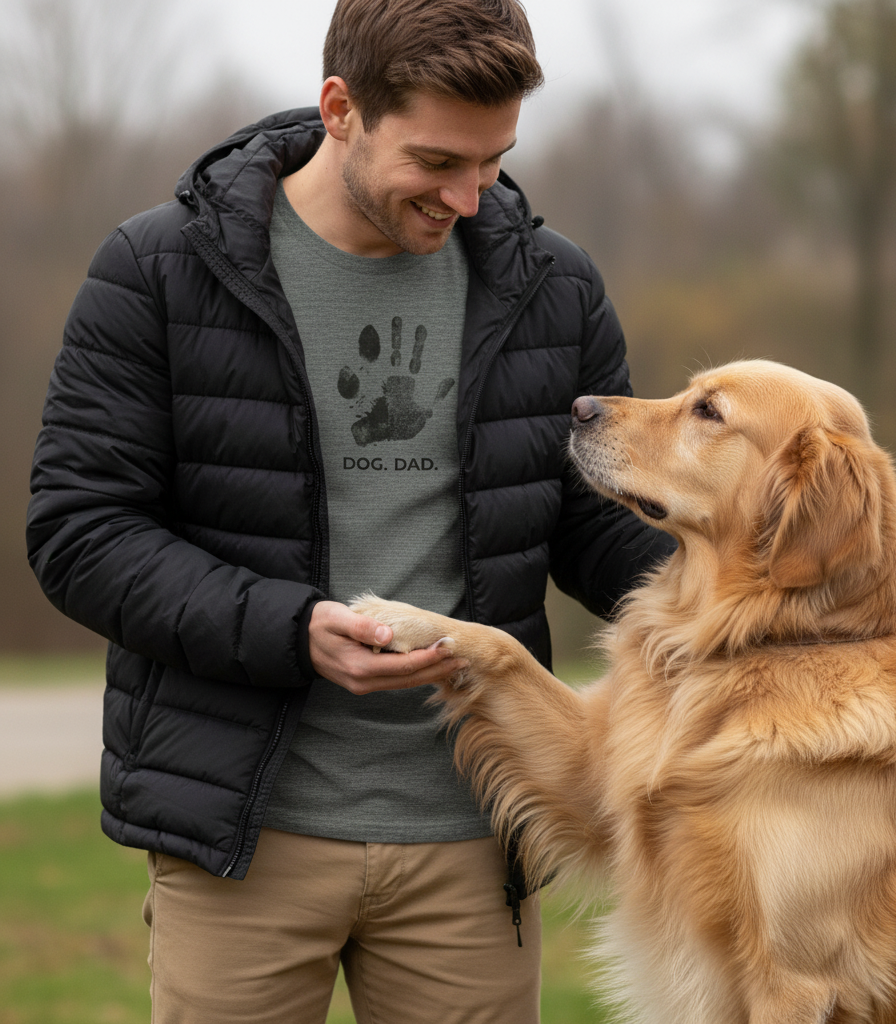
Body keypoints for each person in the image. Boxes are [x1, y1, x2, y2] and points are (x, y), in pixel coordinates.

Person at [25, 1, 677, 1021]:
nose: (468, 197)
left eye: (493, 161)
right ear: (340, 109)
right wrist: (291, 630)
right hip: (242, 838)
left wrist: (799, 598)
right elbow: (81, 531)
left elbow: (593, 531)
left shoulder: (553, 286)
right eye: (436, 162)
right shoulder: (158, 272)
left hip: (475, 831)